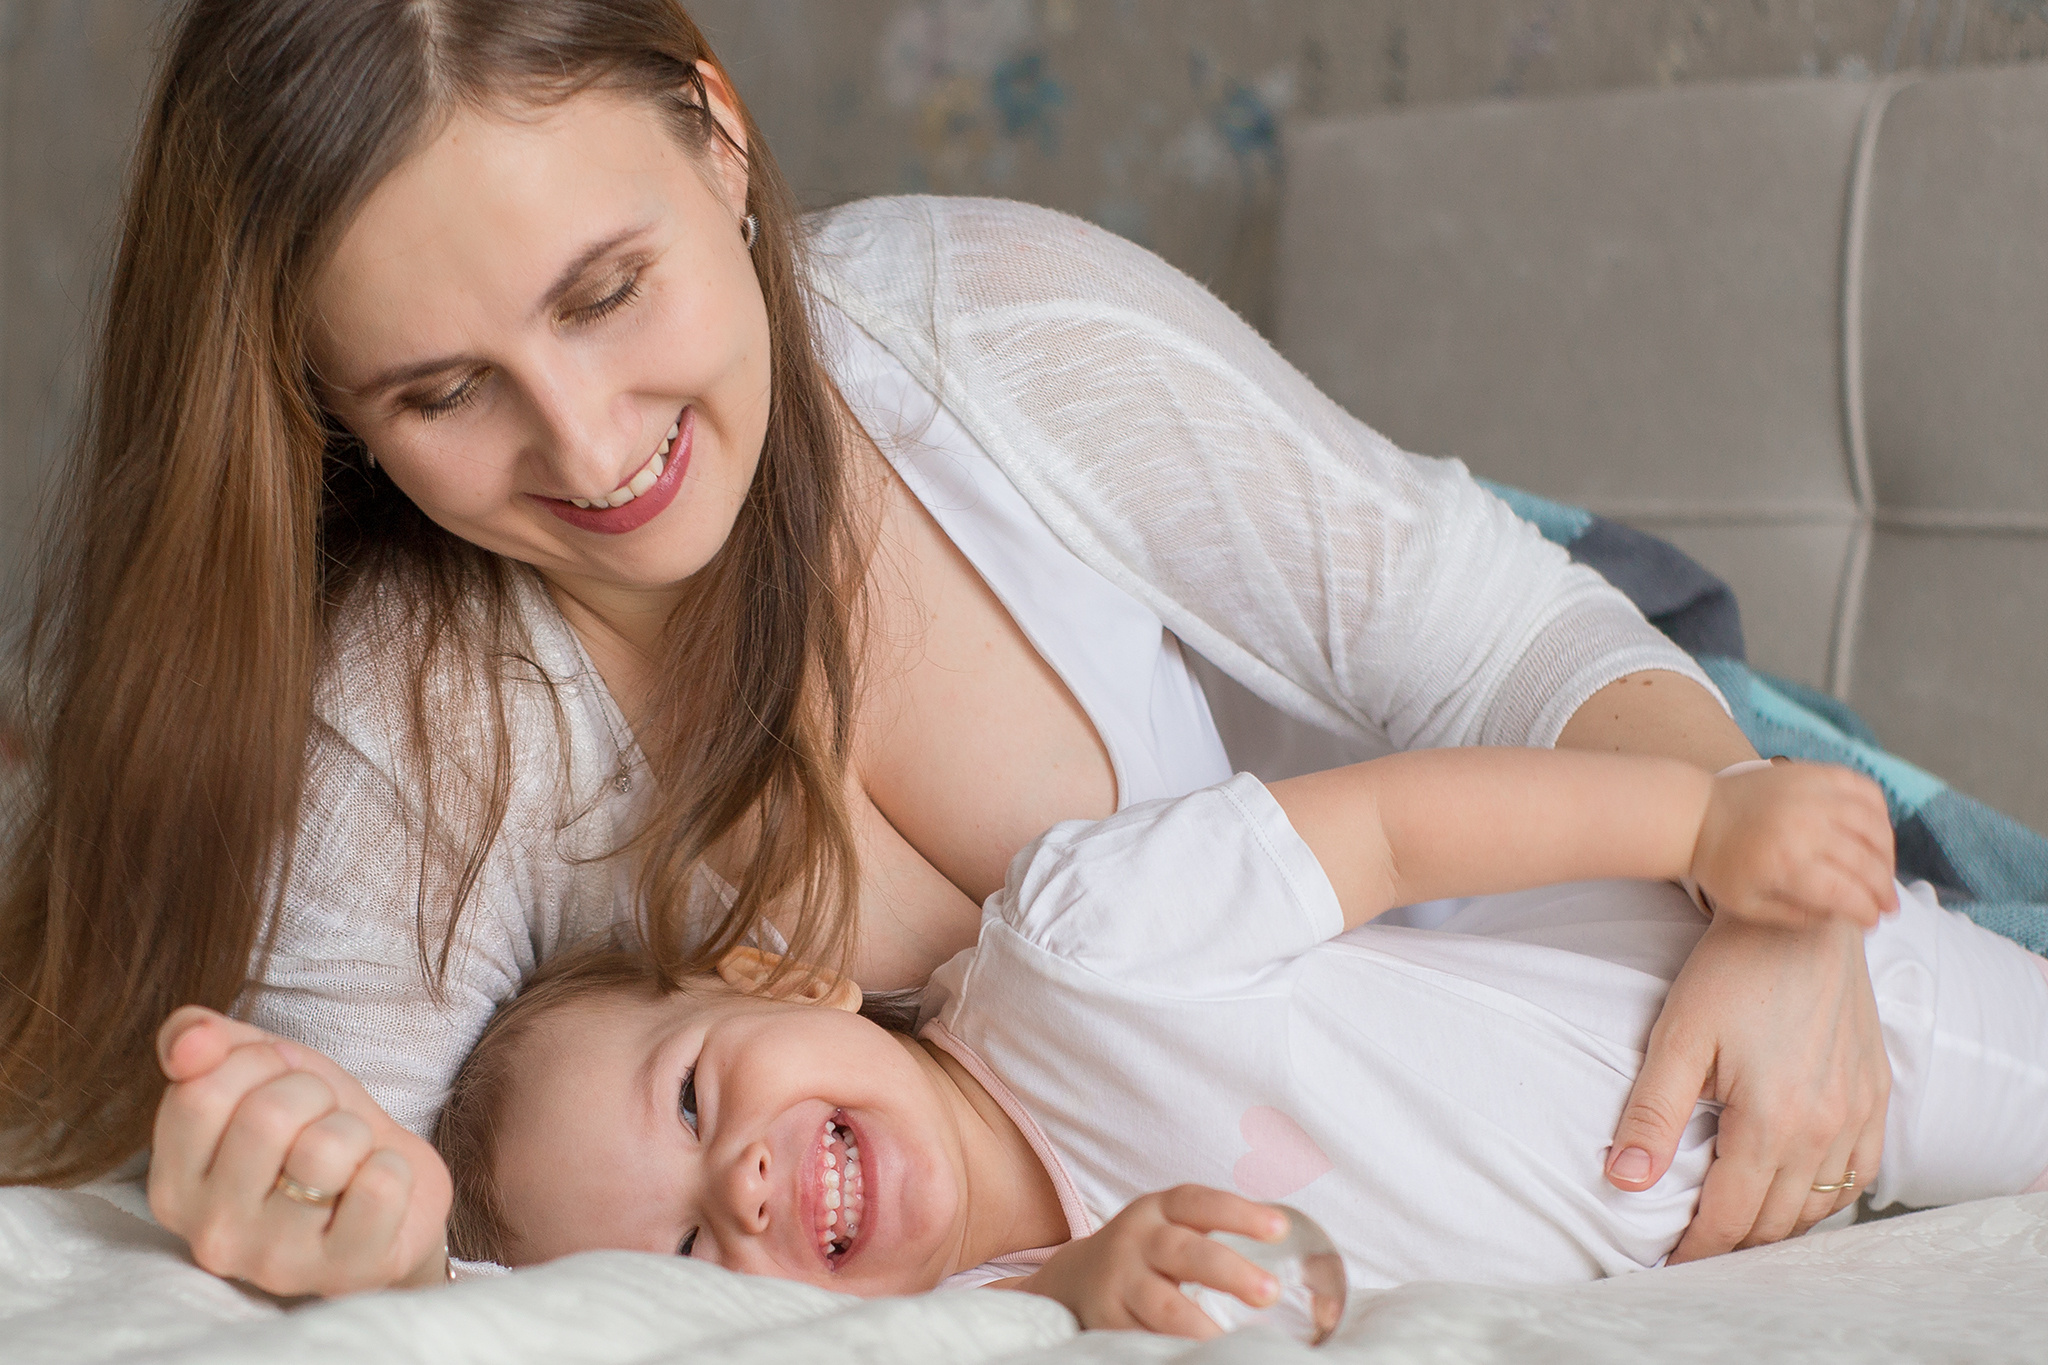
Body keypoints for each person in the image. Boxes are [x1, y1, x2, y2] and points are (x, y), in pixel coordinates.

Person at [4, 0, 1892, 1296]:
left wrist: (1774, 894)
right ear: (331, 418)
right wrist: (352, 1235)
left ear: (720, 134)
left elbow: (1502, 635)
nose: (588, 451)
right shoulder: (407, 730)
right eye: (441, 392)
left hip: (1601, 761)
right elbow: (405, 1192)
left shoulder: (990, 329)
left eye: (608, 290)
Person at [155, 751, 2048, 1331]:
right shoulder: (1005, 1296)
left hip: (1770, 1003)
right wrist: (1087, 1277)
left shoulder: (1077, 951)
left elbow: (1388, 833)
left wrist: (1706, 831)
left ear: (789, 976)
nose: (736, 1183)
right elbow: (1310, 1278)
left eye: (695, 1096)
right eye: (678, 1244)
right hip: (1755, 1222)